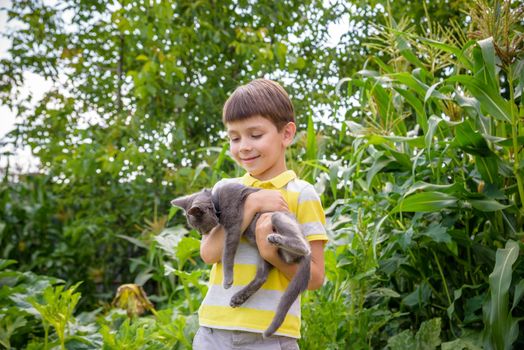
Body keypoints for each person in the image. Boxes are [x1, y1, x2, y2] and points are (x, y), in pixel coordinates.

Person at [193, 78, 328, 349]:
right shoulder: (225, 189)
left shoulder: (302, 195)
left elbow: (314, 278)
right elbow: (209, 253)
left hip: (271, 338)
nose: (243, 146)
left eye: (255, 135)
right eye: (234, 137)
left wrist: (271, 255)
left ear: (286, 134)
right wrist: (251, 205)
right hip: (213, 331)